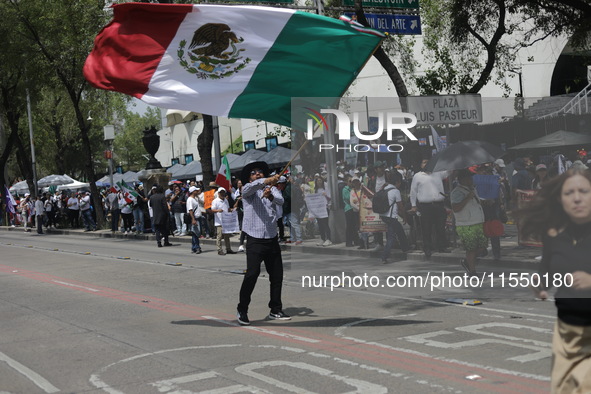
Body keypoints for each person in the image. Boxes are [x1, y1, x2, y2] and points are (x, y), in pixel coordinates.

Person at [517, 167, 591, 393]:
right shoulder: (555, 235)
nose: (577, 198)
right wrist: (539, 284)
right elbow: (546, 271)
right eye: (569, 193)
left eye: (583, 191)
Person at [237, 161, 290, 326]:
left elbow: (280, 201)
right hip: (255, 238)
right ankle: (242, 309)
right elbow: (249, 189)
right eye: (253, 173)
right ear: (249, 177)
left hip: (271, 237)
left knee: (277, 276)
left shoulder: (272, 188)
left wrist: (271, 194)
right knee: (252, 274)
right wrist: (265, 181)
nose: (257, 174)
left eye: (260, 172)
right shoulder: (247, 189)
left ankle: (275, 309)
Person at [410, 159, 450, 259]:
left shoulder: (438, 173)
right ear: (421, 165)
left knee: (440, 227)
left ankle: (442, 246)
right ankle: (427, 247)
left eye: (428, 162)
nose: (426, 164)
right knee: (426, 228)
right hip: (425, 206)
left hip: (439, 204)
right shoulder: (417, 176)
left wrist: (451, 162)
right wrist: (413, 205)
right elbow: (413, 191)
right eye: (424, 162)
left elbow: (449, 172)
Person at [450, 169, 487, 276]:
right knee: (471, 249)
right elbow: (456, 208)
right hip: (466, 224)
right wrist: (467, 198)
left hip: (477, 221)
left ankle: (468, 262)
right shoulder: (457, 192)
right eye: (469, 178)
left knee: (482, 247)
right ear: (463, 179)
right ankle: (472, 271)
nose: (471, 179)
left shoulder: (472, 189)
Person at [380, 171, 410, 264]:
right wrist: (404, 217)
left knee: (399, 230)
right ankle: (384, 256)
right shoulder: (395, 191)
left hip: (384, 215)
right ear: (397, 182)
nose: (400, 184)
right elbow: (400, 206)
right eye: (399, 182)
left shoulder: (385, 188)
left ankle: (405, 248)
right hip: (391, 216)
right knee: (391, 237)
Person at [211, 187, 236, 255]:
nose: (222, 194)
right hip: (219, 221)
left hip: (226, 221)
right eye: (221, 192)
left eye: (223, 192)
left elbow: (227, 209)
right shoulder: (215, 201)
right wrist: (218, 210)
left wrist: (231, 210)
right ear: (218, 193)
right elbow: (212, 210)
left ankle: (228, 249)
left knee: (227, 236)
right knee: (219, 236)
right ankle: (219, 249)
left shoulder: (225, 200)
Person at [186, 185, 202, 254]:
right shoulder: (190, 200)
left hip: (197, 217)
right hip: (195, 218)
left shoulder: (195, 199)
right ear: (193, 192)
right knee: (196, 233)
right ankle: (197, 247)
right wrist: (193, 219)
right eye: (196, 190)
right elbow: (190, 210)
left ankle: (193, 247)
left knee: (194, 233)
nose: (197, 191)